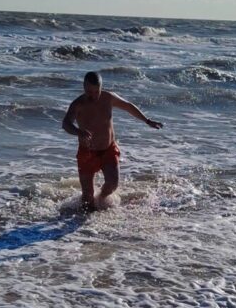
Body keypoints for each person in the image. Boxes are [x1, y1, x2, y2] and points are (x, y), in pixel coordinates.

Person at [62, 71, 163, 209]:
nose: (93, 95)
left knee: (112, 184)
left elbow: (128, 106)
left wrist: (147, 120)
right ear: (84, 87)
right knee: (87, 197)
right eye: (89, 91)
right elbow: (66, 124)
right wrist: (78, 131)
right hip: (87, 153)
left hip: (108, 150)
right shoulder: (78, 104)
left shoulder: (108, 98)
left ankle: (101, 199)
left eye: (96, 91)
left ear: (101, 88)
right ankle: (84, 221)